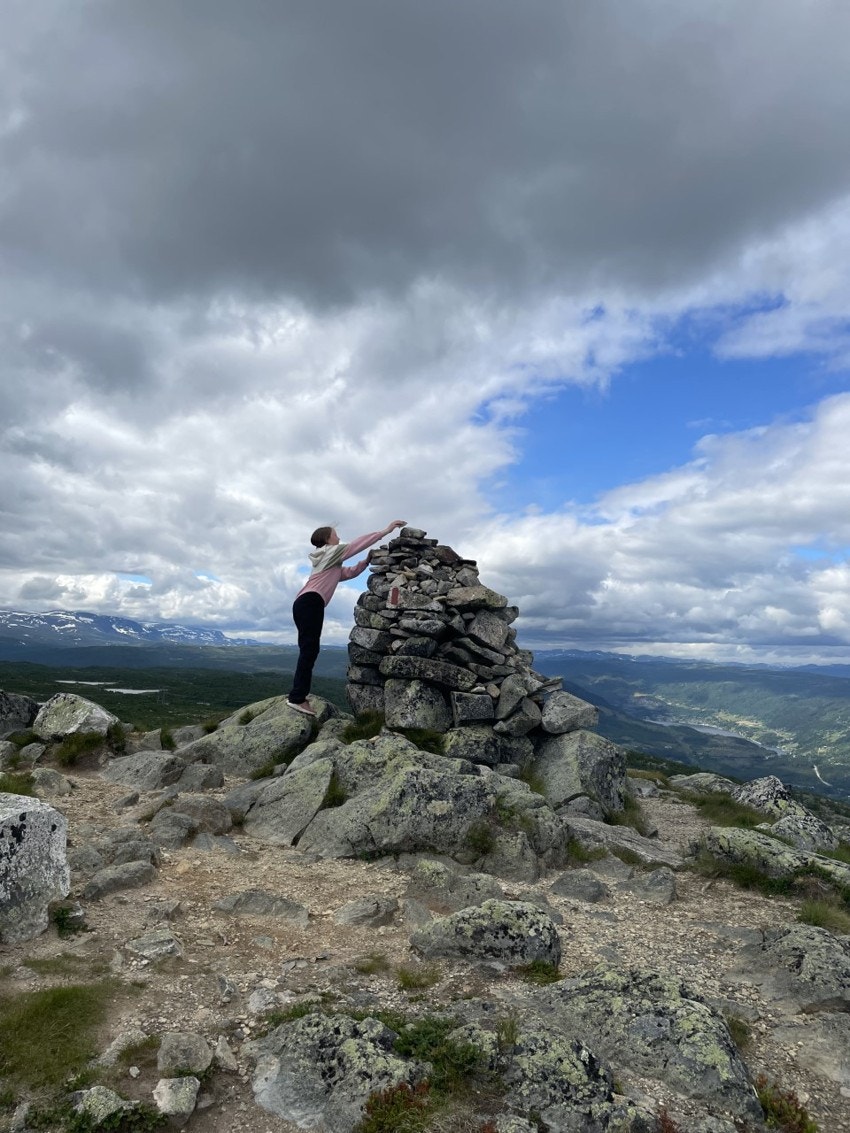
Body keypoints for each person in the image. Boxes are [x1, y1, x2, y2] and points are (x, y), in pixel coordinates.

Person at [286, 519, 407, 715]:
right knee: (309, 650)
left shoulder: (327, 560)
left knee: (308, 650)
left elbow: (348, 573)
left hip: (304, 603)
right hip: (311, 603)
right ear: (327, 539)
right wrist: (386, 530)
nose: (339, 538)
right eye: (335, 535)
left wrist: (366, 561)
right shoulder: (330, 551)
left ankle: (298, 694)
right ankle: (297, 698)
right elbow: (355, 545)